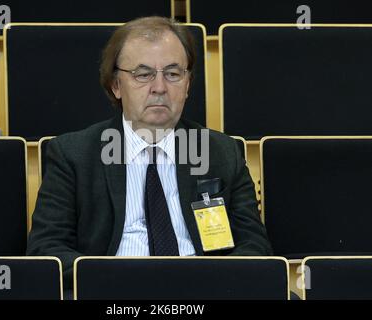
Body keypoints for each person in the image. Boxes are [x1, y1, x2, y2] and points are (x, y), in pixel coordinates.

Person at [27, 16, 272, 290]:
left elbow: (254, 245)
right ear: (116, 85)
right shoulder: (72, 154)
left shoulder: (220, 152)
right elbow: (46, 250)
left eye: (173, 73)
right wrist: (116, 282)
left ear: (188, 84)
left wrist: (212, 282)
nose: (159, 88)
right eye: (143, 75)